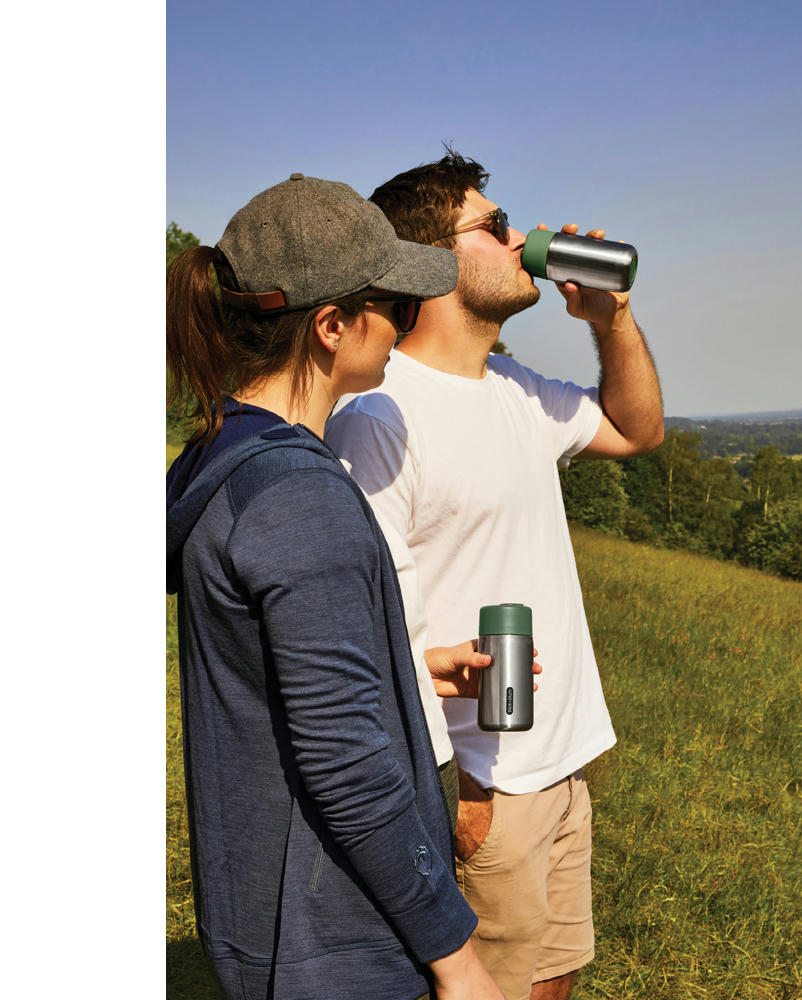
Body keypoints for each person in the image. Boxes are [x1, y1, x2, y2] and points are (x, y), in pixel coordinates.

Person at [324, 152, 664, 1000]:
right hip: (484, 781)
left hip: (562, 763)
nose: (521, 241)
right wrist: (461, 787)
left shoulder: (516, 388)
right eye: (495, 225)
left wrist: (612, 320)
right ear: (431, 261)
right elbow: (365, 625)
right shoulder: (379, 415)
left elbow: (637, 430)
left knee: (553, 982)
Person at [166, 173, 506, 1000]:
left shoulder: (221, 457)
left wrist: (400, 669)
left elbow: (276, 679)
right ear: (331, 326)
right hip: (335, 941)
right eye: (396, 306)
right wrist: (457, 957)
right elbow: (347, 763)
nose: (405, 325)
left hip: (273, 922)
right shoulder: (301, 497)